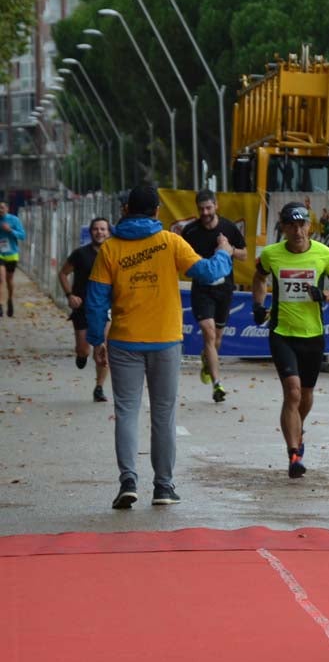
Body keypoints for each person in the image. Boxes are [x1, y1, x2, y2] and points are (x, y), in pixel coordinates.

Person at [87, 184, 233, 510]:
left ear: (125, 211)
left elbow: (96, 300)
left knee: (126, 412)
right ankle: (163, 487)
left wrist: (97, 340)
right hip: (165, 341)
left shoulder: (109, 249)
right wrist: (223, 250)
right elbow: (209, 274)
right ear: (156, 212)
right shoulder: (170, 243)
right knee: (163, 414)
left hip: (124, 340)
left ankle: (128, 480)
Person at [251, 201, 329, 478]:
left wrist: (325, 295)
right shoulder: (271, 254)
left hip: (313, 335)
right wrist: (258, 306)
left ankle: (297, 428)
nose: (298, 231)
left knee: (305, 395)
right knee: (292, 392)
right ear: (282, 227)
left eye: (302, 224)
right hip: (282, 333)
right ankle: (294, 454)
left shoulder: (324, 255)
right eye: (291, 225)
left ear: (309, 226)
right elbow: (258, 279)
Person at [181, 189, 248, 403]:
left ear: (216, 206)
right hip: (202, 289)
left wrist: (229, 250)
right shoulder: (190, 231)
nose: (205, 212)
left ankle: (207, 360)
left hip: (224, 289)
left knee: (217, 339)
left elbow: (245, 254)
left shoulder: (228, 228)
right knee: (208, 333)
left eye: (209, 208)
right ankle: (217, 385)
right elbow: (183, 260)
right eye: (201, 209)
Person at [58, 217, 112, 402]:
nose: (100, 232)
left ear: (109, 232)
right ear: (91, 232)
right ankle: (81, 354)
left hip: (105, 307)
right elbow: (63, 273)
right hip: (82, 306)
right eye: (96, 229)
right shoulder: (80, 254)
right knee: (84, 349)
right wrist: (69, 295)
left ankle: (99, 387)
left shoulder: (114, 253)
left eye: (103, 229)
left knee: (103, 346)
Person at [0, 201, 28, 317]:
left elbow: (22, 235)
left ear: (7, 209)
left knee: (9, 280)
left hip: (12, 254)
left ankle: (10, 300)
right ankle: (0, 305)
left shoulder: (14, 220)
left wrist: (10, 230)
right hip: (0, 254)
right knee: (0, 279)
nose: (0, 210)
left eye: (1, 208)